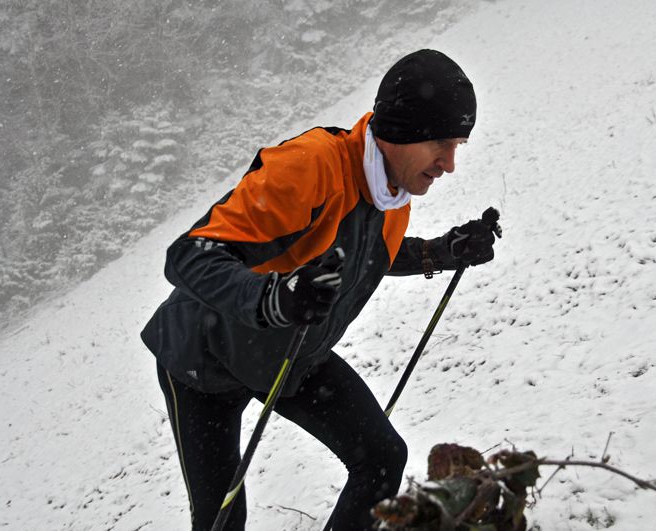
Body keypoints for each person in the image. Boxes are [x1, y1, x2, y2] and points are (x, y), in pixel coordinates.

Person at [141, 49, 500, 531]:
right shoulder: (310, 167)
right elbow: (189, 255)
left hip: (290, 355)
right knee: (221, 519)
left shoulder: (392, 190)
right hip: (203, 357)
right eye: (441, 142)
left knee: (381, 457)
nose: (450, 163)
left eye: (457, 144)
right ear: (400, 130)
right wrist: (272, 298)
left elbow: (368, 253)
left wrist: (443, 252)